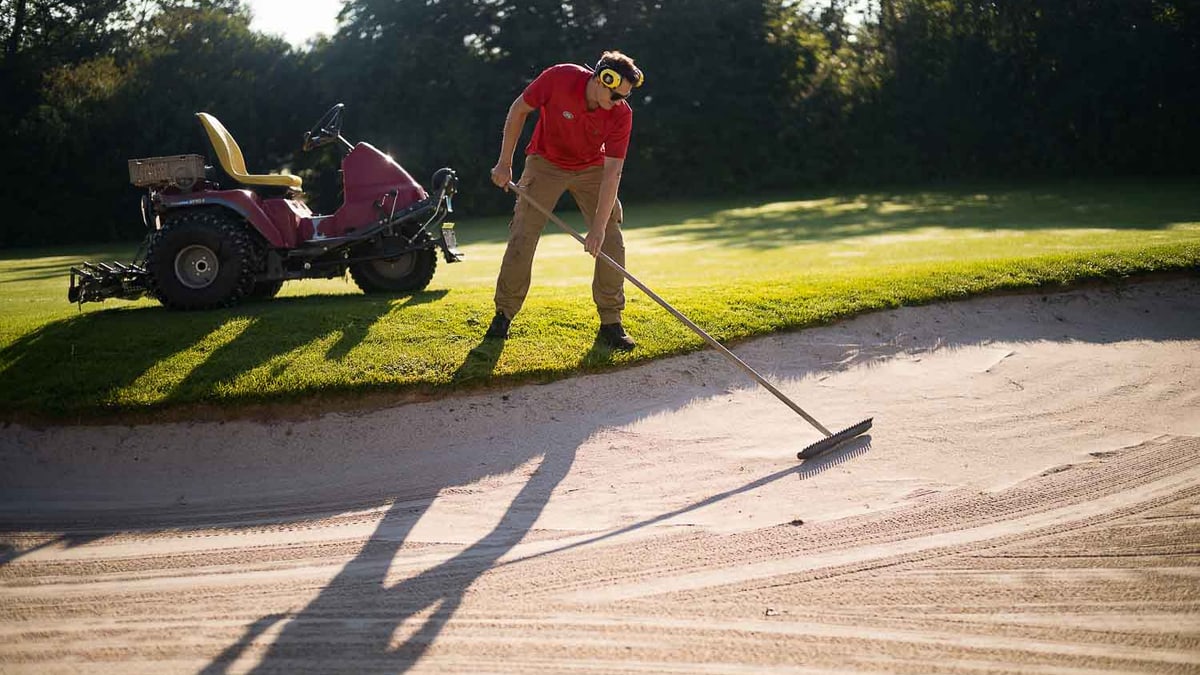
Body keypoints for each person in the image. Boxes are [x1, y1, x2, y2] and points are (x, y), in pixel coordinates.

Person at [487, 51, 645, 350]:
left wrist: (597, 229)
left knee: (610, 238)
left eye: (625, 97)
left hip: (592, 167)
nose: (620, 102)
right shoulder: (559, 78)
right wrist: (505, 162)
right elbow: (519, 110)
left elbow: (613, 173)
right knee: (523, 234)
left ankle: (611, 321)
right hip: (545, 162)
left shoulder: (620, 114)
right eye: (616, 95)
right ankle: (503, 314)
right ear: (601, 80)